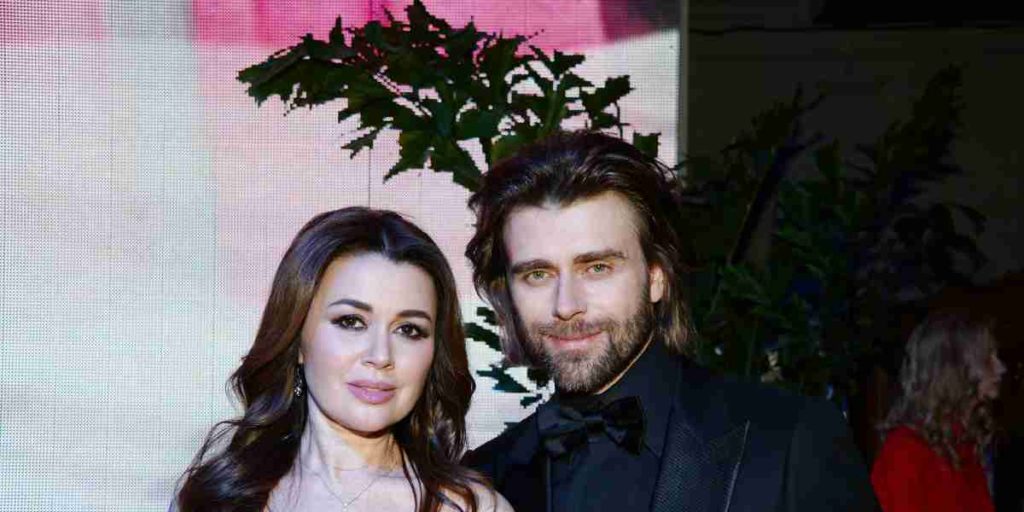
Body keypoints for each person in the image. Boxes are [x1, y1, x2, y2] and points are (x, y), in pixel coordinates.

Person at [462, 131, 878, 511]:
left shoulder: (790, 442)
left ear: (657, 277)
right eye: (538, 274)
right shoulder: (481, 483)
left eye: (598, 268)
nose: (566, 305)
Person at [175, 207, 512, 511]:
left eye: (409, 330)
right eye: (351, 322)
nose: (380, 356)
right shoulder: (217, 499)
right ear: (297, 339)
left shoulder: (474, 507)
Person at [871, 309, 1006, 512]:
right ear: (953, 368)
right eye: (987, 358)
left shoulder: (963, 445)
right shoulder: (905, 452)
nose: (1001, 368)